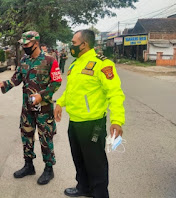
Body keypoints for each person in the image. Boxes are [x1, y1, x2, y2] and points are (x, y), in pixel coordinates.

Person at [54, 29, 125, 198]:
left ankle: (100, 194)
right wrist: (60, 103)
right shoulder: (75, 64)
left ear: (84, 44)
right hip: (75, 122)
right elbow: (71, 90)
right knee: (79, 159)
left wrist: (117, 120)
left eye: (74, 43)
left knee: (96, 163)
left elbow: (115, 93)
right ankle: (83, 187)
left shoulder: (102, 64)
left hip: (93, 123)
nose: (71, 46)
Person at [0, 31, 62, 185]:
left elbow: (56, 82)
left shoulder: (50, 60)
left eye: (27, 44)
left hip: (44, 109)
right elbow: (16, 79)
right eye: (22, 44)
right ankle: (28, 165)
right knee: (26, 136)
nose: (24, 47)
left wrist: (42, 95)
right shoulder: (24, 60)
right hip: (27, 108)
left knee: (45, 137)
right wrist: (3, 84)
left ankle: (49, 169)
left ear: (35, 43)